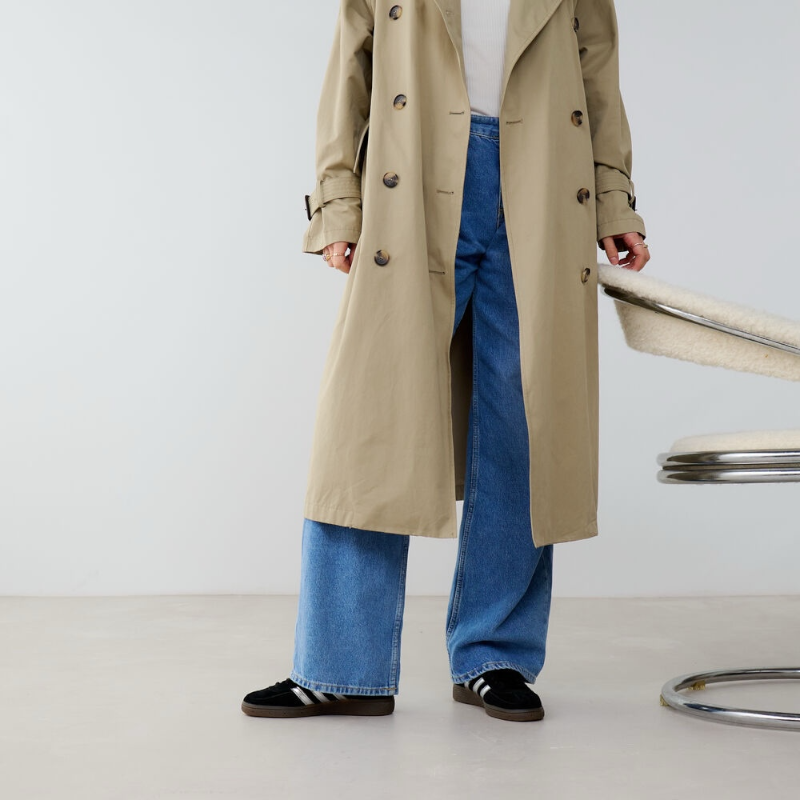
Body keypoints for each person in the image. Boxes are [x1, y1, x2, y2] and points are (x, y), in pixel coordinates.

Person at [242, 0, 650, 722]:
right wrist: (337, 201)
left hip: (545, 181)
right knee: (371, 425)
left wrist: (614, 201)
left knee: (522, 417)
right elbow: (349, 72)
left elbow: (598, 73)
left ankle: (494, 655)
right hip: (412, 172)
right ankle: (341, 666)